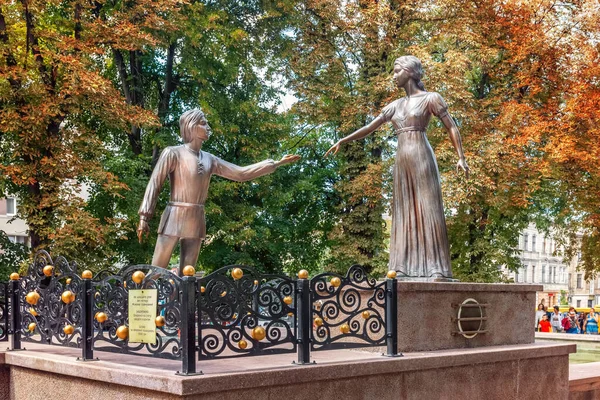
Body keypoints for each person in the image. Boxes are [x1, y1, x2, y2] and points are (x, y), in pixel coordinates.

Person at [324, 56, 469, 278]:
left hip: (422, 156)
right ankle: (401, 267)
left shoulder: (431, 98)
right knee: (404, 212)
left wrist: (461, 157)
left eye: (396, 71)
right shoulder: (395, 106)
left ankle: (436, 268)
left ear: (410, 72)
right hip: (402, 161)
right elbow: (369, 127)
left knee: (428, 209)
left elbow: (451, 125)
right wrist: (343, 140)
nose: (393, 76)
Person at [137, 109, 301, 273]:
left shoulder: (210, 159)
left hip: (196, 217)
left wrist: (276, 164)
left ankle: (185, 300)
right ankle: (143, 297)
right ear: (191, 126)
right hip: (174, 214)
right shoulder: (173, 153)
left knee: (188, 275)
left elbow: (240, 173)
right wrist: (144, 216)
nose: (208, 127)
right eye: (203, 123)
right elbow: (154, 183)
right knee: (156, 272)